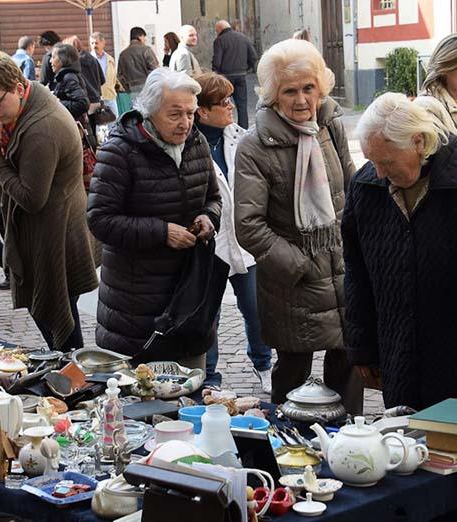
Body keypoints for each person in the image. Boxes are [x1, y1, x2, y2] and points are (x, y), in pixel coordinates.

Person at [343, 93, 457, 411]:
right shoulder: (366, 187)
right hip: (399, 354)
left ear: (418, 142)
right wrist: (361, 346)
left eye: (387, 162)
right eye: (373, 161)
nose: (378, 172)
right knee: (408, 448)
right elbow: (356, 273)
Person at [234, 39, 361, 408]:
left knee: (347, 362)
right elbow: (249, 223)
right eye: (290, 91)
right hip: (293, 282)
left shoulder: (330, 125)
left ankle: (347, 447)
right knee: (294, 373)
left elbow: (352, 190)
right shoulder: (255, 146)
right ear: (274, 96)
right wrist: (299, 265)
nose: (302, 100)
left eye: (309, 88)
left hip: (340, 268)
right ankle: (287, 449)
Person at [87, 68, 222, 363]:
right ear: (148, 112)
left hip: (188, 298)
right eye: (175, 114)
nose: (185, 123)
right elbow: (99, 219)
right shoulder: (119, 151)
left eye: (190, 113)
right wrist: (162, 233)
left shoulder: (196, 143)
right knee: (141, 400)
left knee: (190, 392)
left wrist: (208, 218)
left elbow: (213, 197)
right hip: (134, 309)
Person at [0, 53, 98, 350]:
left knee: (61, 325)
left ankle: (74, 384)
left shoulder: (41, 127)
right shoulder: (29, 105)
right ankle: (70, 379)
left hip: (55, 236)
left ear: (18, 88)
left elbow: (31, 198)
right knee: (59, 323)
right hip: (53, 229)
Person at [194, 72, 272, 393]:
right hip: (209, 244)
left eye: (230, 99)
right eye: (222, 102)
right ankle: (210, 376)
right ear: (202, 110)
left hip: (244, 240)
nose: (231, 106)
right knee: (207, 315)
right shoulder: (190, 146)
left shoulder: (241, 140)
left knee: (256, 308)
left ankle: (264, 365)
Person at [212, 19, 257, 129]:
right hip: (241, 76)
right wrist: (246, 69)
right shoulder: (243, 38)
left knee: (223, 105)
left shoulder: (219, 40)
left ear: (219, 29)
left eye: (216, 30)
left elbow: (217, 62)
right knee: (242, 105)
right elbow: (253, 57)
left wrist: (214, 73)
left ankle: (226, 128)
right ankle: (244, 129)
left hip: (225, 78)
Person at [50, 43, 90, 122]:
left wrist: (57, 103)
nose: (50, 61)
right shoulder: (65, 76)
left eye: (53, 57)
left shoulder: (69, 77)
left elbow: (83, 103)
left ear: (63, 60)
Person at [117, 27, 159, 103]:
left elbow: (120, 75)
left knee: (137, 112)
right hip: (148, 88)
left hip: (132, 89)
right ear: (139, 36)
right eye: (144, 37)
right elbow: (155, 70)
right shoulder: (146, 50)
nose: (145, 40)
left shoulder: (123, 54)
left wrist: (128, 89)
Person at [91, 31, 119, 116]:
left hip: (110, 96)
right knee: (99, 126)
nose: (94, 45)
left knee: (114, 123)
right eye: (91, 43)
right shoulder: (89, 59)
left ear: (103, 43)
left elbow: (114, 78)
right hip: (96, 98)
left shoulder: (110, 59)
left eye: (96, 43)